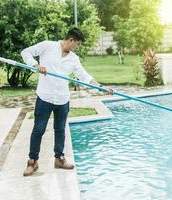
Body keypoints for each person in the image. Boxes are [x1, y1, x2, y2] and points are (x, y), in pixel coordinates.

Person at [21, 27, 112, 176]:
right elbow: (26, 52)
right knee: (38, 129)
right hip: (45, 96)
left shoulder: (73, 59)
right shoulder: (47, 46)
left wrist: (101, 87)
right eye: (77, 44)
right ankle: (32, 162)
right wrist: (36, 66)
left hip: (62, 99)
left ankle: (59, 159)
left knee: (60, 129)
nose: (78, 47)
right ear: (71, 40)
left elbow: (84, 76)